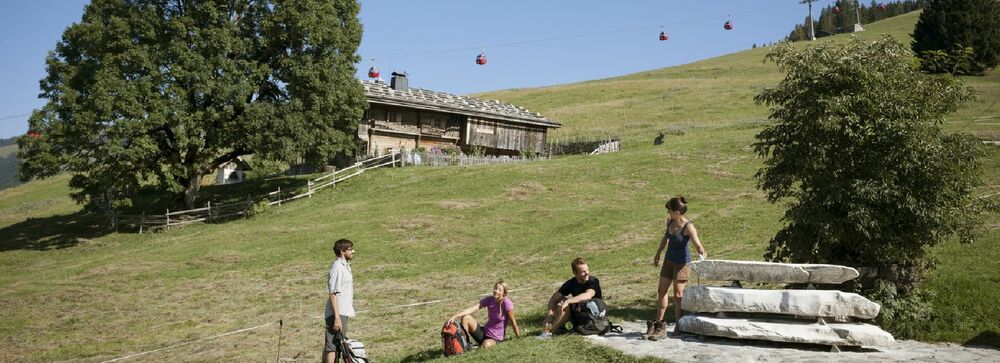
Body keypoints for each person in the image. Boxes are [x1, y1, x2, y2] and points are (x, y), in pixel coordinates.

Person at [646, 196, 706, 340]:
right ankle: (658, 324)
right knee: (662, 291)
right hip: (668, 261)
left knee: (678, 295)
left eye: (670, 210)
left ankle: (679, 325)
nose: (668, 212)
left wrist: (702, 253)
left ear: (678, 211)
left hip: (682, 264)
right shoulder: (670, 221)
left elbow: (697, 244)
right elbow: (665, 238)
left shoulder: (688, 227)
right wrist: (658, 253)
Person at [537, 257, 602, 339]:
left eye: (587, 270)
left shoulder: (593, 281)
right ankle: (552, 329)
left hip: (594, 315)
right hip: (580, 313)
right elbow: (554, 298)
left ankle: (548, 332)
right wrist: (550, 313)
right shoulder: (571, 283)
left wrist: (568, 301)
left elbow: (588, 295)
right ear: (575, 273)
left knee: (565, 304)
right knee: (559, 303)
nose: (587, 273)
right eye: (583, 272)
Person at [446, 280, 521, 348]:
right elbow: (472, 309)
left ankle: (475, 347)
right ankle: (463, 345)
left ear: (504, 293)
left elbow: (513, 322)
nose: (496, 291)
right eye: (495, 288)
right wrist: (455, 316)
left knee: (486, 344)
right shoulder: (489, 299)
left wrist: (519, 339)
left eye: (499, 290)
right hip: (484, 332)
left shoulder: (507, 303)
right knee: (466, 318)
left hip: (495, 338)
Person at [323, 239, 356, 363]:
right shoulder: (337, 267)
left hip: (342, 311)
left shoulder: (345, 266)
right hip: (337, 312)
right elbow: (333, 294)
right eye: (350, 249)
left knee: (335, 345)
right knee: (332, 346)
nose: (353, 251)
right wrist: (336, 317)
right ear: (342, 251)